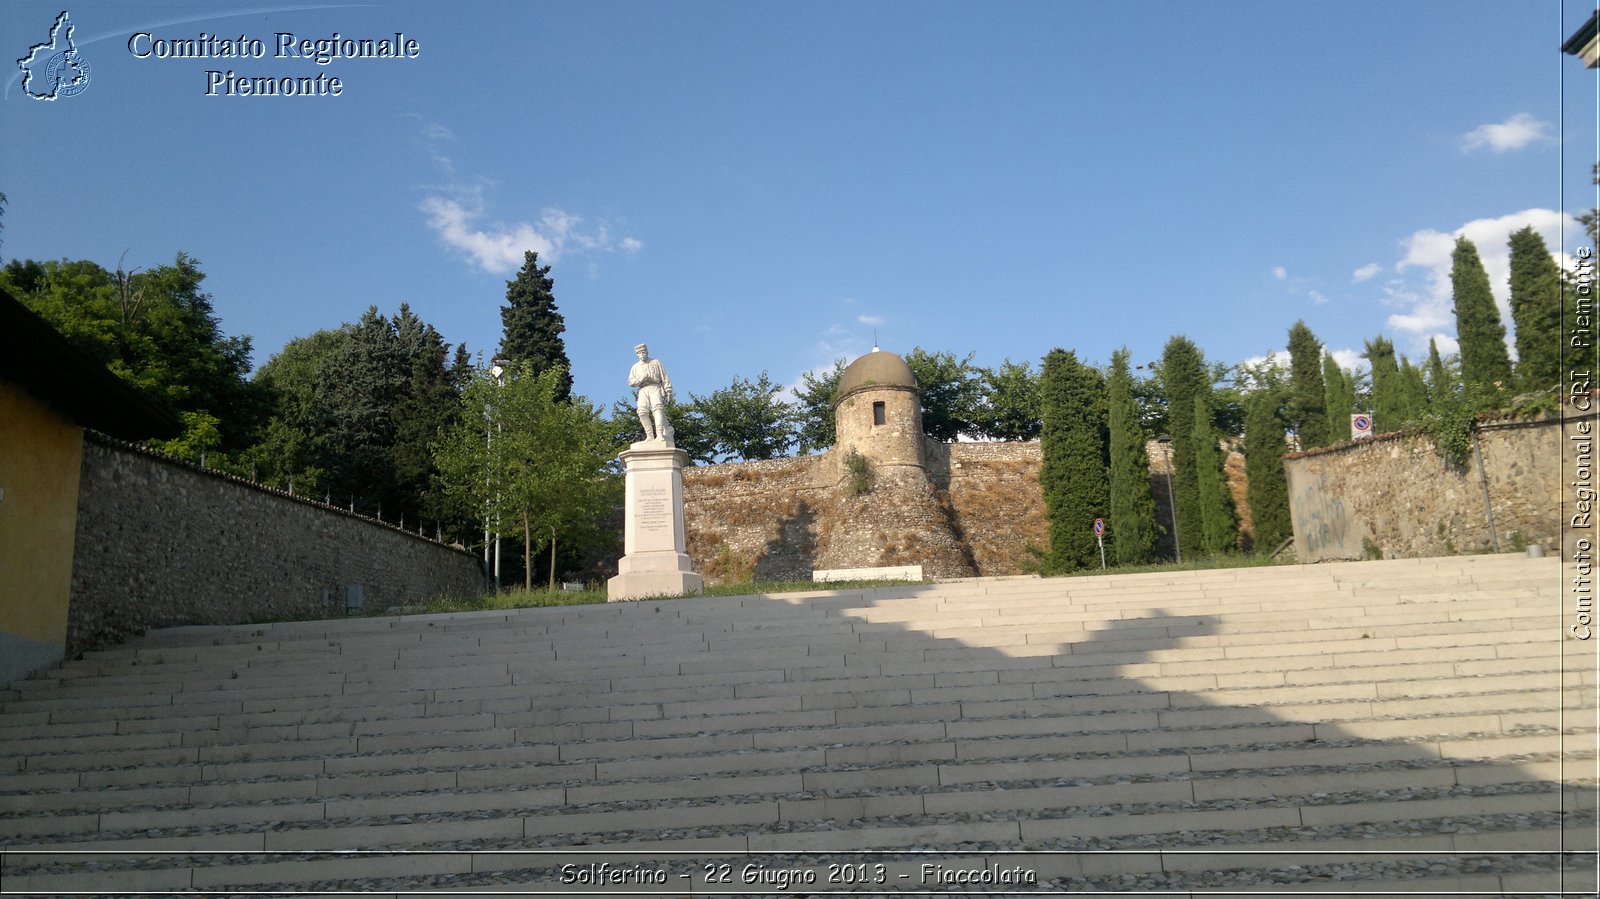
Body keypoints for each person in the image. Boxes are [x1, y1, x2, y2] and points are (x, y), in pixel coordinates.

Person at [629, 343, 674, 442]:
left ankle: (660, 434)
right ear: (637, 354)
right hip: (643, 389)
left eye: (643, 352)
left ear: (647, 352)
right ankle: (649, 435)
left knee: (657, 409)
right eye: (639, 353)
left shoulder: (656, 362)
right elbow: (631, 382)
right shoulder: (635, 367)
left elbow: (664, 377)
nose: (642, 355)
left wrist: (668, 391)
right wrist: (641, 379)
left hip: (655, 387)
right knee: (642, 412)